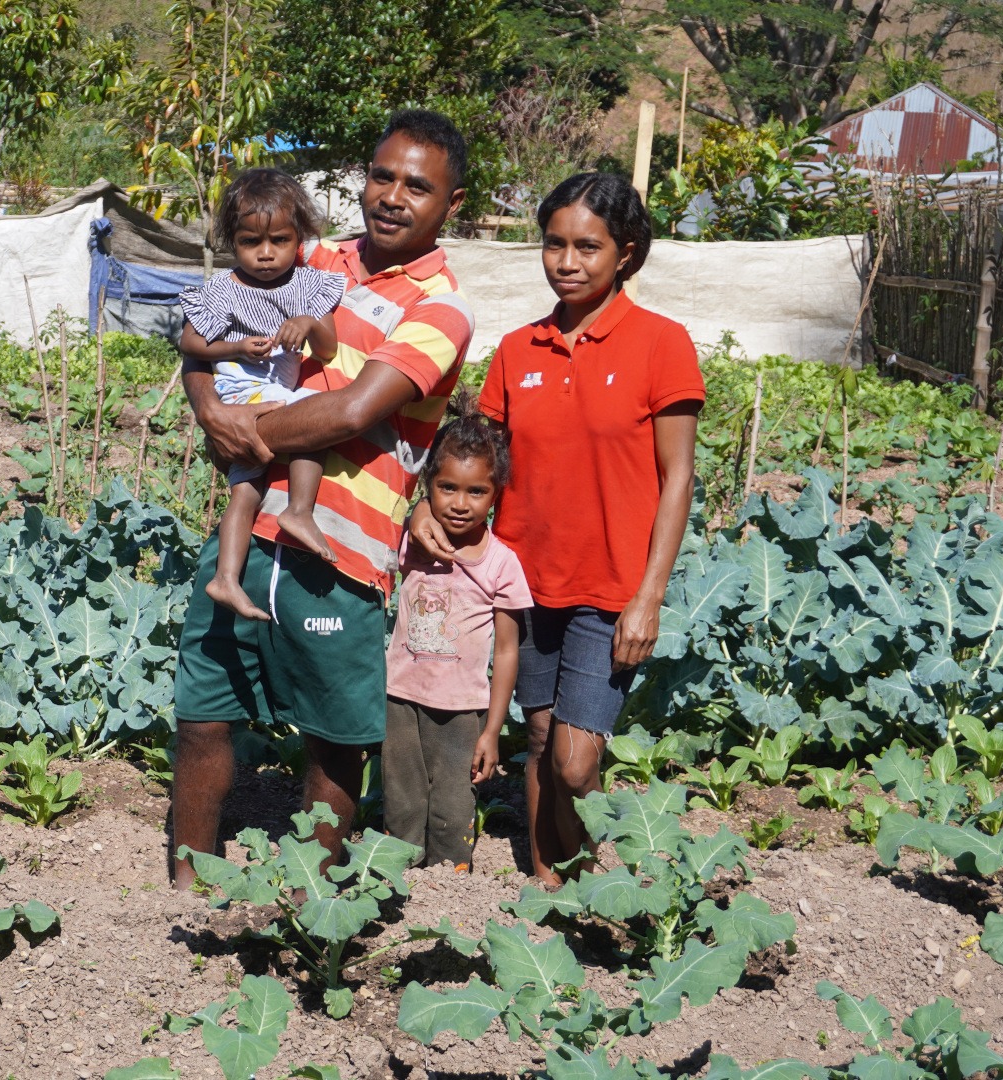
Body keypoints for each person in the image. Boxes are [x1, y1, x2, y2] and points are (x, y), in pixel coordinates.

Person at [170, 110, 475, 889]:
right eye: (382, 176)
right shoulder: (309, 256)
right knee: (205, 712)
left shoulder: (441, 308)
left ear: (452, 204)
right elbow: (208, 324)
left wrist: (248, 429)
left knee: (333, 738)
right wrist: (207, 404)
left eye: (418, 185)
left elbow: (350, 413)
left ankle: (312, 898)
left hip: (341, 549)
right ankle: (185, 883)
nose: (394, 197)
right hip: (249, 528)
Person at [414, 171, 702, 886]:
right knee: (538, 734)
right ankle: (549, 885)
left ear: (626, 253)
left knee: (575, 761)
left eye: (587, 248)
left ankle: (601, 875)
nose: (566, 262)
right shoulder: (519, 350)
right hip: (524, 580)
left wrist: (649, 597)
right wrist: (422, 503)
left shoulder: (662, 344)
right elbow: (478, 457)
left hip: (610, 586)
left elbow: (678, 479)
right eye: (554, 244)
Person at [177, 168, 345, 620]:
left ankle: (225, 578)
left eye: (280, 242)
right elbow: (189, 344)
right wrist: (233, 345)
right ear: (233, 240)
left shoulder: (308, 286)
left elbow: (328, 349)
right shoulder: (224, 291)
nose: (266, 255)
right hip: (242, 389)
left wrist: (308, 324)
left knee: (245, 491)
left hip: (271, 392)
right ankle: (298, 511)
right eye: (251, 243)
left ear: (301, 239)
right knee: (316, 420)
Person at [382, 415, 530, 870]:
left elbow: (506, 651)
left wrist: (492, 729)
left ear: (496, 493)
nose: (460, 503)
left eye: (476, 491)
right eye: (447, 487)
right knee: (401, 793)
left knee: (452, 801)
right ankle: (398, 868)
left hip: (463, 708)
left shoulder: (501, 564)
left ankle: (450, 876)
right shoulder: (411, 541)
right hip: (398, 696)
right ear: (428, 485)